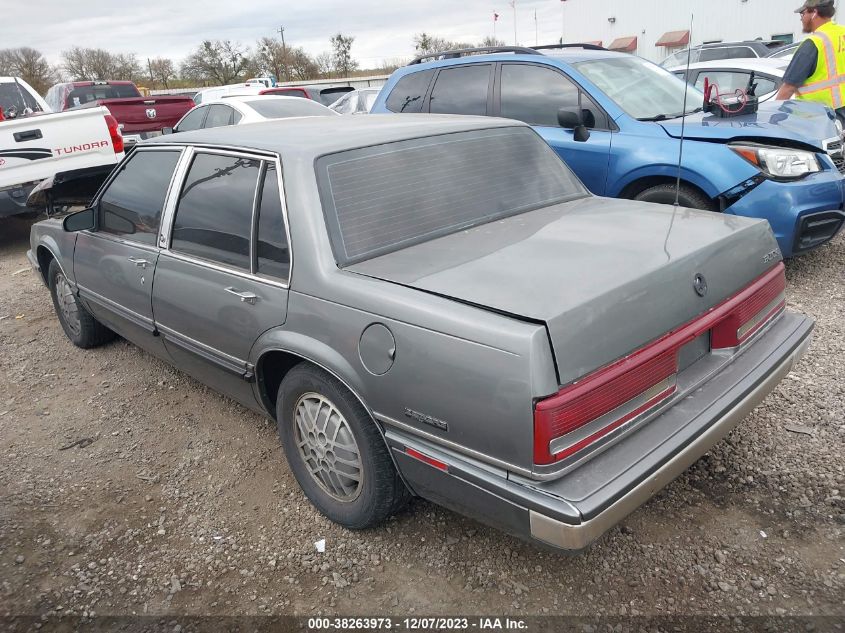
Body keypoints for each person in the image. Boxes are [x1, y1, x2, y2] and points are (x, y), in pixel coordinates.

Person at [776, 0, 845, 121]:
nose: (801, 19)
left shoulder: (814, 43)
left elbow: (788, 87)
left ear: (814, 13)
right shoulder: (842, 33)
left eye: (803, 14)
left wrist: (774, 115)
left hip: (819, 117)